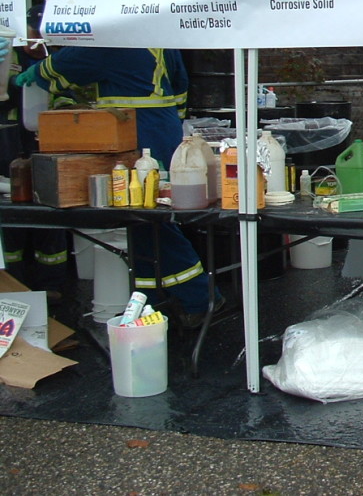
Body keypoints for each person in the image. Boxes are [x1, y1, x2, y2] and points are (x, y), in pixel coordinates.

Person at [15, 43, 223, 328]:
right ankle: (151, 299)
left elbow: (78, 58)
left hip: (136, 131)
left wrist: (38, 71)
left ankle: (200, 297)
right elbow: (181, 82)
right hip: (161, 127)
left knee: (150, 219)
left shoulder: (116, 38)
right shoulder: (155, 35)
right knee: (142, 221)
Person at [0, 6, 72, 299]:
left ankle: (52, 285)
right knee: (11, 215)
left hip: (46, 141)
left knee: (49, 211)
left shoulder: (57, 58)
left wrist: (64, 109)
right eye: (33, 33)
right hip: (8, 140)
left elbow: (71, 92)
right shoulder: (9, 57)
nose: (37, 40)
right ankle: (12, 285)